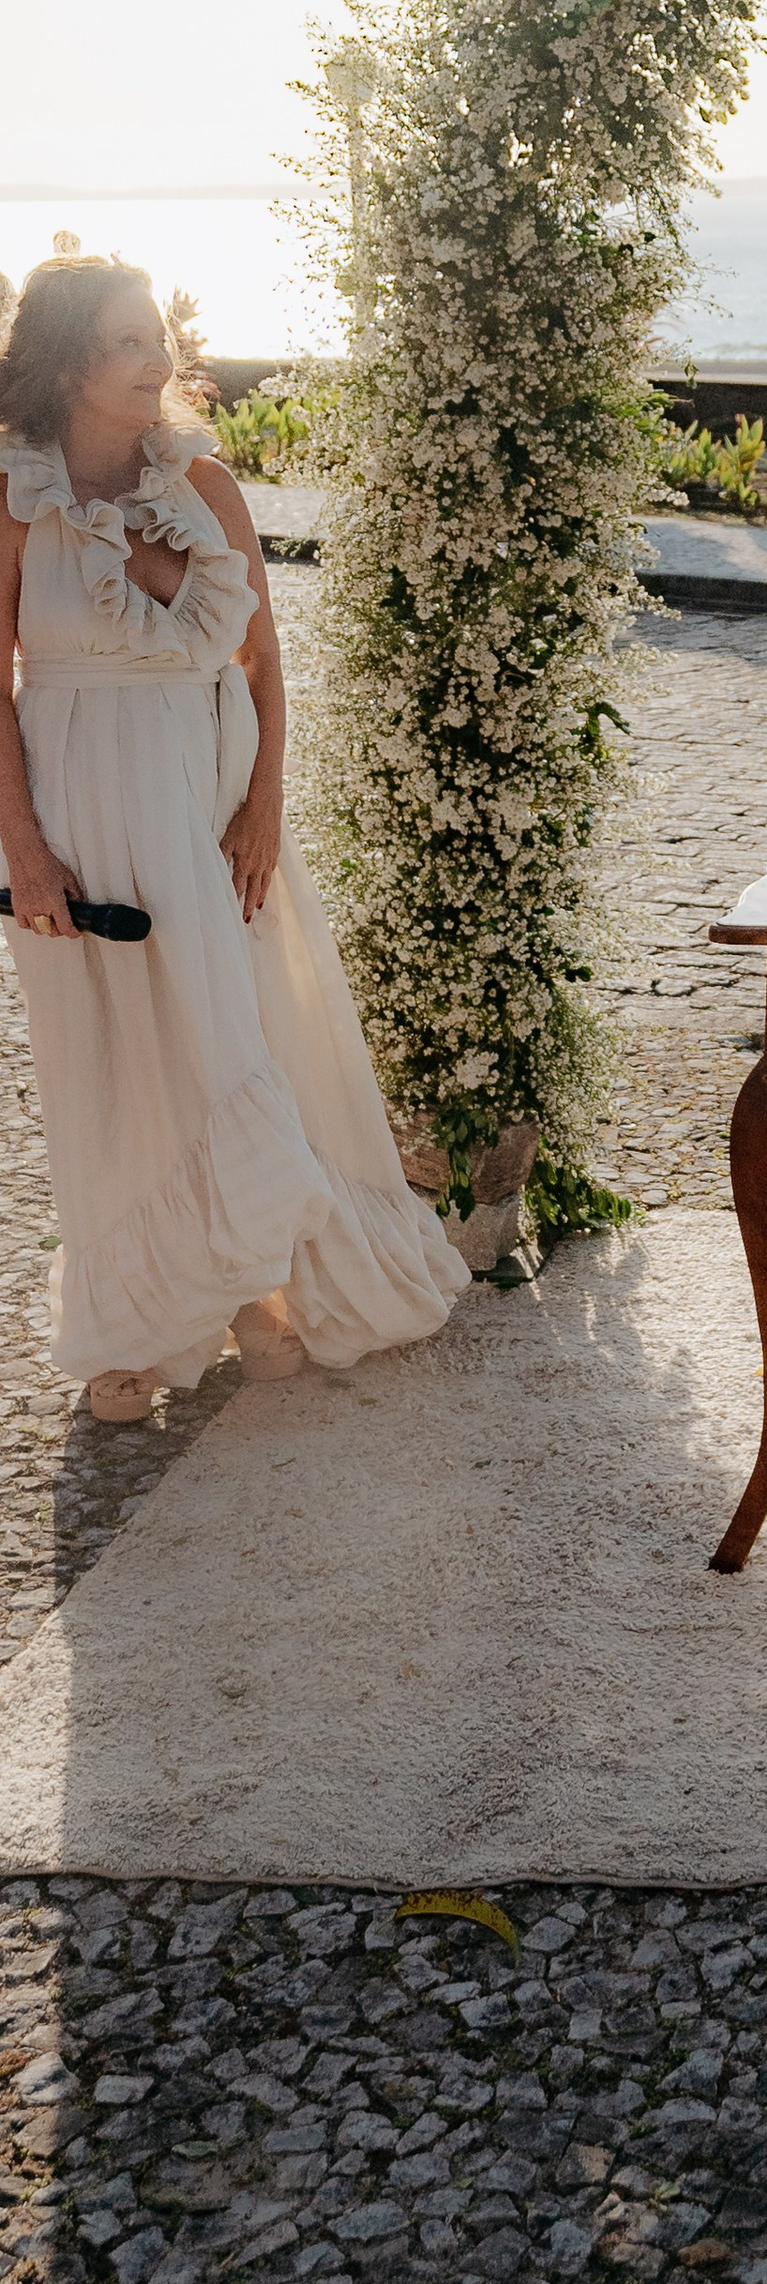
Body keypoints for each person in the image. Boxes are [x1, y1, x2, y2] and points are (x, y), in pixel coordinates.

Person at [0, 255, 466, 1419]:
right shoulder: (9, 496)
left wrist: (264, 804)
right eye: (126, 342)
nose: (157, 358)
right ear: (64, 365)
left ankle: (259, 1290)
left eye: (157, 334)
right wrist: (21, 847)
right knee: (102, 1050)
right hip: (71, 798)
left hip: (201, 795)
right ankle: (132, 1325)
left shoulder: (203, 480)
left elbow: (262, 659)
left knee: (225, 1030)